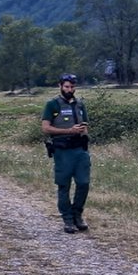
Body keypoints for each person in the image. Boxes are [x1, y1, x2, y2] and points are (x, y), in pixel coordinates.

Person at [41, 74, 91, 234]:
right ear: (60, 86)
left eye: (72, 87)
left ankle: (78, 215)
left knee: (83, 183)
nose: (70, 89)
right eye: (67, 86)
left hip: (80, 150)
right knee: (64, 185)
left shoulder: (80, 104)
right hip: (62, 151)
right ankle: (68, 219)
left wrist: (84, 134)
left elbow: (86, 125)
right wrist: (68, 130)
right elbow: (46, 128)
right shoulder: (52, 105)